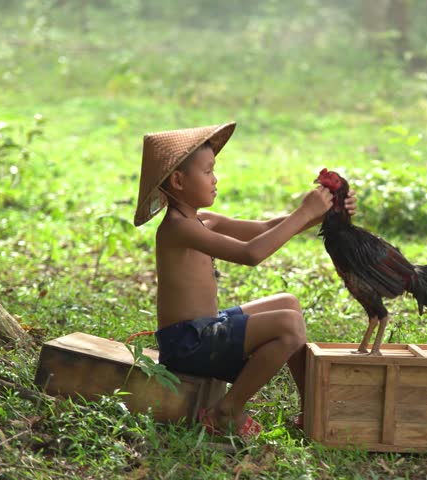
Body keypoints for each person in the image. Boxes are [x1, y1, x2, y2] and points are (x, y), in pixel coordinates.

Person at [133, 122, 356, 439]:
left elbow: (264, 227)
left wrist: (324, 214)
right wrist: (304, 213)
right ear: (179, 180)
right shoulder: (177, 228)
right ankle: (227, 410)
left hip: (205, 328)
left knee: (288, 303)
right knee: (289, 326)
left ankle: (311, 409)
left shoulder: (201, 220)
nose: (215, 179)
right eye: (208, 171)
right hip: (188, 343)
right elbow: (251, 254)